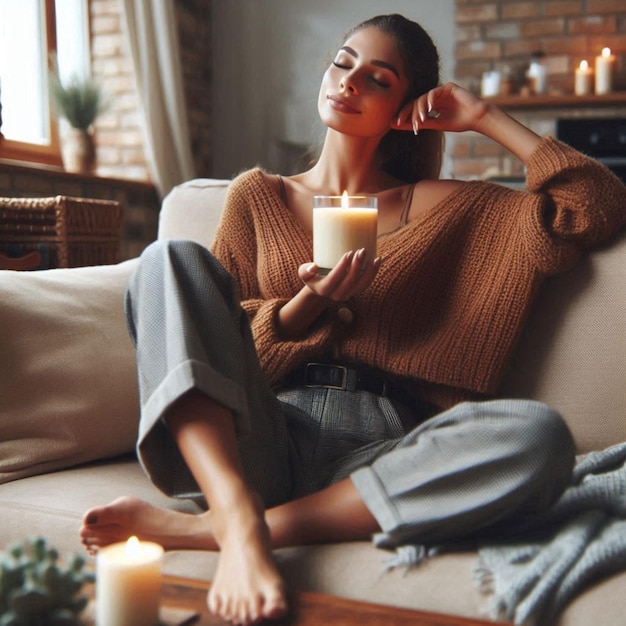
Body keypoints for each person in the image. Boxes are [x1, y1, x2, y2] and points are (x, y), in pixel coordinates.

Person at [80, 14, 625, 626]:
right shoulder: (256, 197)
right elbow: (220, 354)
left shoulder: (451, 207)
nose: (349, 82)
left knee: (539, 437)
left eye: (378, 78)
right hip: (262, 434)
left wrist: (483, 117)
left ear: (404, 109)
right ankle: (233, 514)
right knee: (169, 260)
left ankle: (230, 532)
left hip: (385, 447)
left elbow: (592, 207)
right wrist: (302, 307)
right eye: (343, 63)